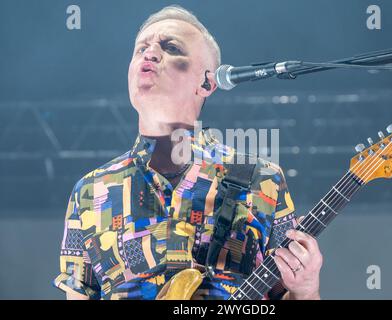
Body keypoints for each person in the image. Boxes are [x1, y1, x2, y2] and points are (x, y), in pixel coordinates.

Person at [53, 5, 322, 300]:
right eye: (141, 47)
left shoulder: (262, 179)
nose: (150, 53)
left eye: (171, 48)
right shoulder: (91, 191)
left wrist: (306, 288)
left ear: (207, 82)